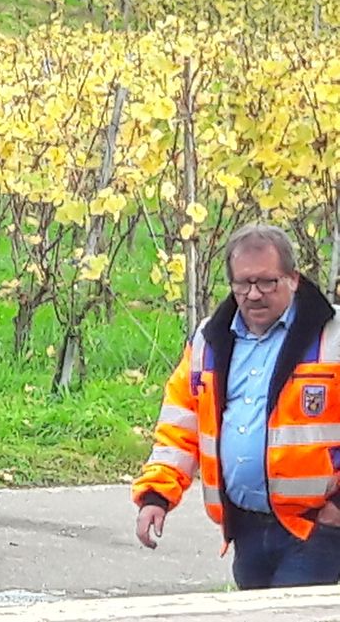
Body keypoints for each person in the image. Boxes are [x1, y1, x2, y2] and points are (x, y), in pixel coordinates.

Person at [132, 224, 340, 589]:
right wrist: (156, 495)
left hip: (315, 532)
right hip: (245, 531)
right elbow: (180, 426)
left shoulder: (333, 337)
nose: (253, 294)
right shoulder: (210, 340)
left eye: (267, 282)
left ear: (293, 279)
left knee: (285, 616)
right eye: (243, 283)